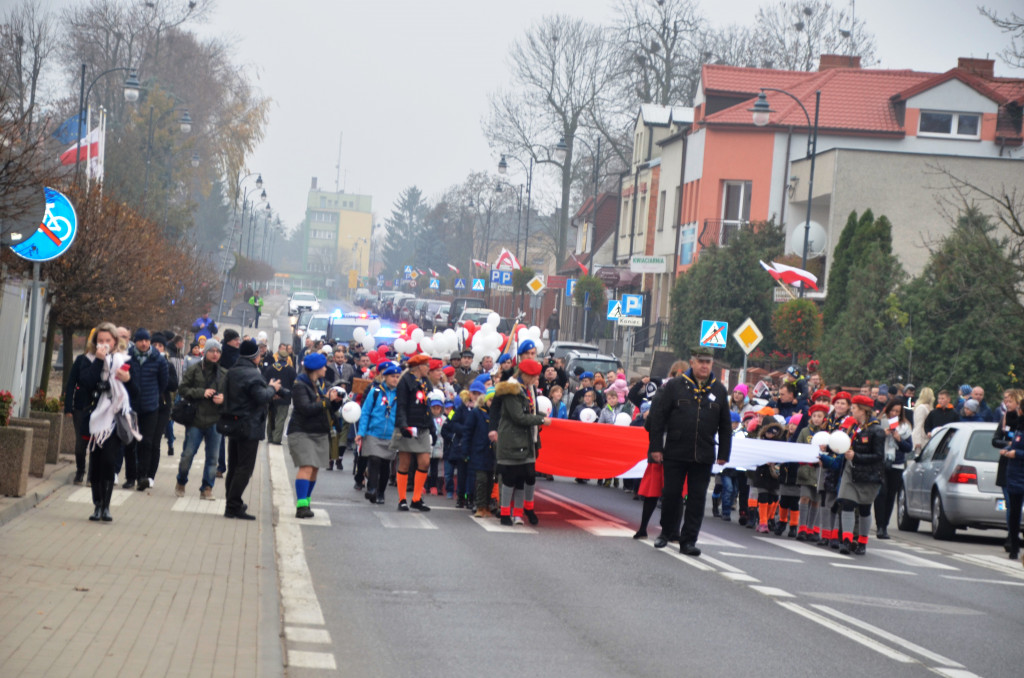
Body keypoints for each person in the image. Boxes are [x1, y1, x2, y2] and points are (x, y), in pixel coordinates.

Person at [646, 346, 732, 556]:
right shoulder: (675, 386)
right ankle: (666, 532)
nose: (704, 366)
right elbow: (658, 418)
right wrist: (656, 448)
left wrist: (724, 454)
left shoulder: (719, 390)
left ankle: (689, 540)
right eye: (700, 361)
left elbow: (725, 425)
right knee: (672, 494)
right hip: (675, 450)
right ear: (692, 362)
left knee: (696, 498)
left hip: (703, 453)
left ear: (712, 364)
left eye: (708, 362)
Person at [82, 322, 139, 521]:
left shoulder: (125, 361)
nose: (104, 344)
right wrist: (98, 361)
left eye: (107, 340)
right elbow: (86, 384)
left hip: (115, 417)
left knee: (108, 461)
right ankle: (97, 505)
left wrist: (128, 379)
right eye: (100, 341)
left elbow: (136, 393)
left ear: (115, 342)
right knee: (96, 464)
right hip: (95, 417)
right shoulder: (90, 360)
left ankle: (106, 506)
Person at [221, 339, 281, 519]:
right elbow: (261, 397)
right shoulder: (253, 374)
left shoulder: (232, 371)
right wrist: (272, 388)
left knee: (233, 466)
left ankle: (231, 503)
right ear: (254, 357)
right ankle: (233, 505)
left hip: (233, 423)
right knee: (245, 468)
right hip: (249, 425)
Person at [492, 358, 551, 526]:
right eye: (533, 376)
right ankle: (505, 513)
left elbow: (529, 410)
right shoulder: (512, 390)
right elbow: (518, 416)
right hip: (512, 439)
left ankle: (518, 513)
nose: (535, 380)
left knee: (524, 478)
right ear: (524, 375)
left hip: (525, 439)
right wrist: (540, 420)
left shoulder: (527, 388)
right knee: (510, 478)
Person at [287, 352, 344, 518]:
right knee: (306, 466)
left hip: (319, 431)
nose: (326, 369)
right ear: (316, 368)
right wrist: (327, 400)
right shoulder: (300, 385)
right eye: (324, 366)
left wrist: (334, 404)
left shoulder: (319, 383)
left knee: (314, 469)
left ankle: (306, 500)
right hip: (302, 431)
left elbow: (323, 409)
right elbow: (306, 408)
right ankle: (301, 505)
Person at [827, 394, 884, 555]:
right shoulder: (853, 427)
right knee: (847, 503)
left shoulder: (876, 431)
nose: (851, 411)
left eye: (854, 408)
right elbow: (843, 444)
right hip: (850, 471)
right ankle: (845, 540)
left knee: (865, 508)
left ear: (862, 410)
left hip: (868, 475)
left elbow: (879, 456)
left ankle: (862, 542)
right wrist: (831, 448)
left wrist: (857, 456)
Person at [175, 339, 227, 500]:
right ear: (205, 352)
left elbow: (232, 397)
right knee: (187, 455)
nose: (215, 354)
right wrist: (201, 392)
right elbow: (182, 389)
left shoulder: (224, 374)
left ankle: (207, 488)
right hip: (196, 420)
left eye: (218, 351)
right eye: (212, 350)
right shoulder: (195, 370)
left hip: (215, 421)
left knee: (212, 459)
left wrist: (223, 399)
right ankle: (181, 481)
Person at [125, 328, 169, 491]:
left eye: (146, 340)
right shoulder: (127, 357)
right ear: (135, 341)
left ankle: (142, 477)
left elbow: (163, 382)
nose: (144, 343)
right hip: (131, 406)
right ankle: (130, 477)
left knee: (146, 442)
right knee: (129, 442)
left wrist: (153, 394)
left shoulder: (158, 360)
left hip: (151, 407)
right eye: (141, 340)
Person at [392, 354, 436, 511]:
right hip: (409, 426)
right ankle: (402, 499)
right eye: (427, 365)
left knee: (425, 461)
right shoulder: (405, 382)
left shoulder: (425, 382)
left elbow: (427, 406)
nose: (429, 368)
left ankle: (416, 498)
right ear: (419, 367)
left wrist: (432, 427)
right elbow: (402, 405)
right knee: (404, 462)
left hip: (423, 426)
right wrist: (403, 425)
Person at [357, 361, 401, 504]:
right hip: (373, 433)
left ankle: (381, 492)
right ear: (385, 377)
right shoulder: (375, 392)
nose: (395, 379)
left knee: (385, 464)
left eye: (398, 376)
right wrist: (361, 432)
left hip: (390, 434)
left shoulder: (400, 395)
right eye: (393, 376)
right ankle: (371, 489)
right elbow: (366, 412)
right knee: (374, 460)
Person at [875, 398, 912, 539]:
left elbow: (908, 448)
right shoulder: (880, 422)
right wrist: (882, 435)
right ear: (888, 410)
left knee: (891, 496)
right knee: (881, 493)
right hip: (881, 462)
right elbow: (872, 442)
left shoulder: (905, 427)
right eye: (892, 410)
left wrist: (898, 438)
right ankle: (879, 526)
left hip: (896, 464)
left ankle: (885, 526)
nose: (894, 414)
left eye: (897, 411)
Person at [997, 390, 1024, 560]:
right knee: (1012, 511)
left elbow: (1019, 450)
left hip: (1019, 473)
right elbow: (1008, 441)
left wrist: (1016, 454)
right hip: (1014, 476)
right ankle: (1013, 545)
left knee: (1015, 511)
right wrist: (1007, 449)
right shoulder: (1017, 426)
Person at [264, 345, 297, 445]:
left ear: (277, 357)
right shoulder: (291, 370)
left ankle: (270, 437)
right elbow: (294, 385)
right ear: (287, 358)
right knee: (280, 419)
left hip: (271, 397)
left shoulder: (270, 368)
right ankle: (277, 439)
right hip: (285, 398)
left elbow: (265, 382)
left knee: (271, 418)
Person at [911, 386, 935, 453]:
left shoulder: (928, 408)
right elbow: (918, 425)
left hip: (925, 437)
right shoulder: (921, 408)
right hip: (921, 438)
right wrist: (917, 441)